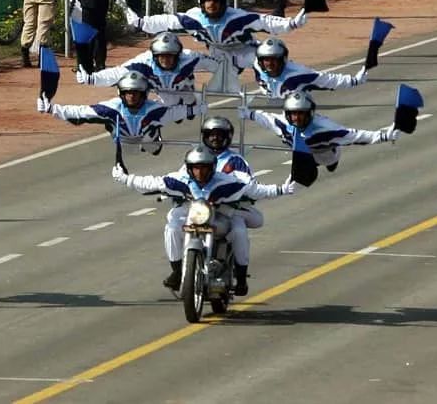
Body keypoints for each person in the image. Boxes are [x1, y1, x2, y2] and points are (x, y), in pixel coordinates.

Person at [111, 144, 296, 296]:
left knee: (238, 231)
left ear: (212, 168)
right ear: (189, 168)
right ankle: (177, 271)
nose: (200, 172)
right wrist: (125, 178)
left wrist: (282, 189)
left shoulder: (226, 182)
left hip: (219, 217)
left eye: (204, 168)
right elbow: (150, 183)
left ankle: (241, 277)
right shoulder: (179, 179)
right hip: (195, 214)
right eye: (196, 168)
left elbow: (255, 190)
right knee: (172, 226)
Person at [125, 0, 308, 82]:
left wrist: (292, 24)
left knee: (267, 61)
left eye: (216, 1)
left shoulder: (237, 18)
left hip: (244, 50)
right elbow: (166, 21)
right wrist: (141, 23)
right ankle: (180, 95)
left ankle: (276, 86)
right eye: (208, 0)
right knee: (177, 59)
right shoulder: (193, 18)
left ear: (224, 3)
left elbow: (265, 21)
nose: (212, 4)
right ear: (201, 2)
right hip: (217, 54)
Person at [38, 70, 203, 165]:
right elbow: (81, 112)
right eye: (128, 93)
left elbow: (177, 112)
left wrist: (198, 107)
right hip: (122, 140)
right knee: (128, 150)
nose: (131, 96)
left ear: (143, 94)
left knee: (151, 145)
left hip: (148, 140)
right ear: (121, 94)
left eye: (135, 93)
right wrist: (52, 109)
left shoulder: (154, 110)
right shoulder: (112, 108)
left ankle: (153, 135)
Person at [241, 90, 401, 184]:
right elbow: (264, 117)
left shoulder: (326, 129)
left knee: (330, 163)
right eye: (293, 114)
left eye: (301, 114)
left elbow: (357, 136)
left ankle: (333, 163)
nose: (297, 118)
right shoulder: (282, 123)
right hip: (304, 156)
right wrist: (247, 112)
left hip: (326, 154)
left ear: (310, 113)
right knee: (294, 182)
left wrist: (385, 135)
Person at [76, 31, 220, 117]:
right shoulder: (144, 61)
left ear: (178, 54)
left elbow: (217, 65)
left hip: (184, 90)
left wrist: (233, 65)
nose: (166, 60)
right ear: (154, 55)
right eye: (161, 56)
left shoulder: (190, 57)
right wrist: (92, 78)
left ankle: (189, 103)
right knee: (163, 111)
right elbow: (117, 73)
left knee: (191, 106)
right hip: (162, 93)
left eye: (170, 55)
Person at [252, 37, 366, 98]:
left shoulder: (299, 73)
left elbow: (327, 80)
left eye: (274, 59)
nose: (270, 64)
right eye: (266, 59)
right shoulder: (256, 64)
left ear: (283, 59)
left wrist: (354, 81)